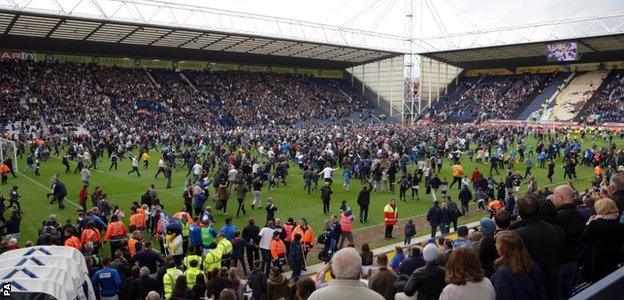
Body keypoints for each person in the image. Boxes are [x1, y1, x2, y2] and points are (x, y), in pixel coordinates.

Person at [514, 195, 562, 299]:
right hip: (551, 279)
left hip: (534, 285)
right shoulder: (552, 227)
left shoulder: (519, 234)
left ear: (520, 212)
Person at [308, 247, 384, 300]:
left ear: (333, 271)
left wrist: (323, 271)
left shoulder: (316, 297)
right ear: (360, 271)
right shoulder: (376, 298)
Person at [551, 184, 585, 299]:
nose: (553, 199)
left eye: (554, 196)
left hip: (561, 263)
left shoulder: (557, 218)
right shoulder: (581, 214)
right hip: (575, 260)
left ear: (560, 197)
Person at [491, 231, 546, 300]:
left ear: (504, 248)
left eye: (498, 244)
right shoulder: (532, 265)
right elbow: (541, 292)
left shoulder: (502, 274)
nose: (496, 246)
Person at [583, 198, 624, 283]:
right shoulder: (619, 224)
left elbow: (584, 238)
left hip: (597, 262)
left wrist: (588, 223)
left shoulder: (595, 224)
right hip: (614, 258)